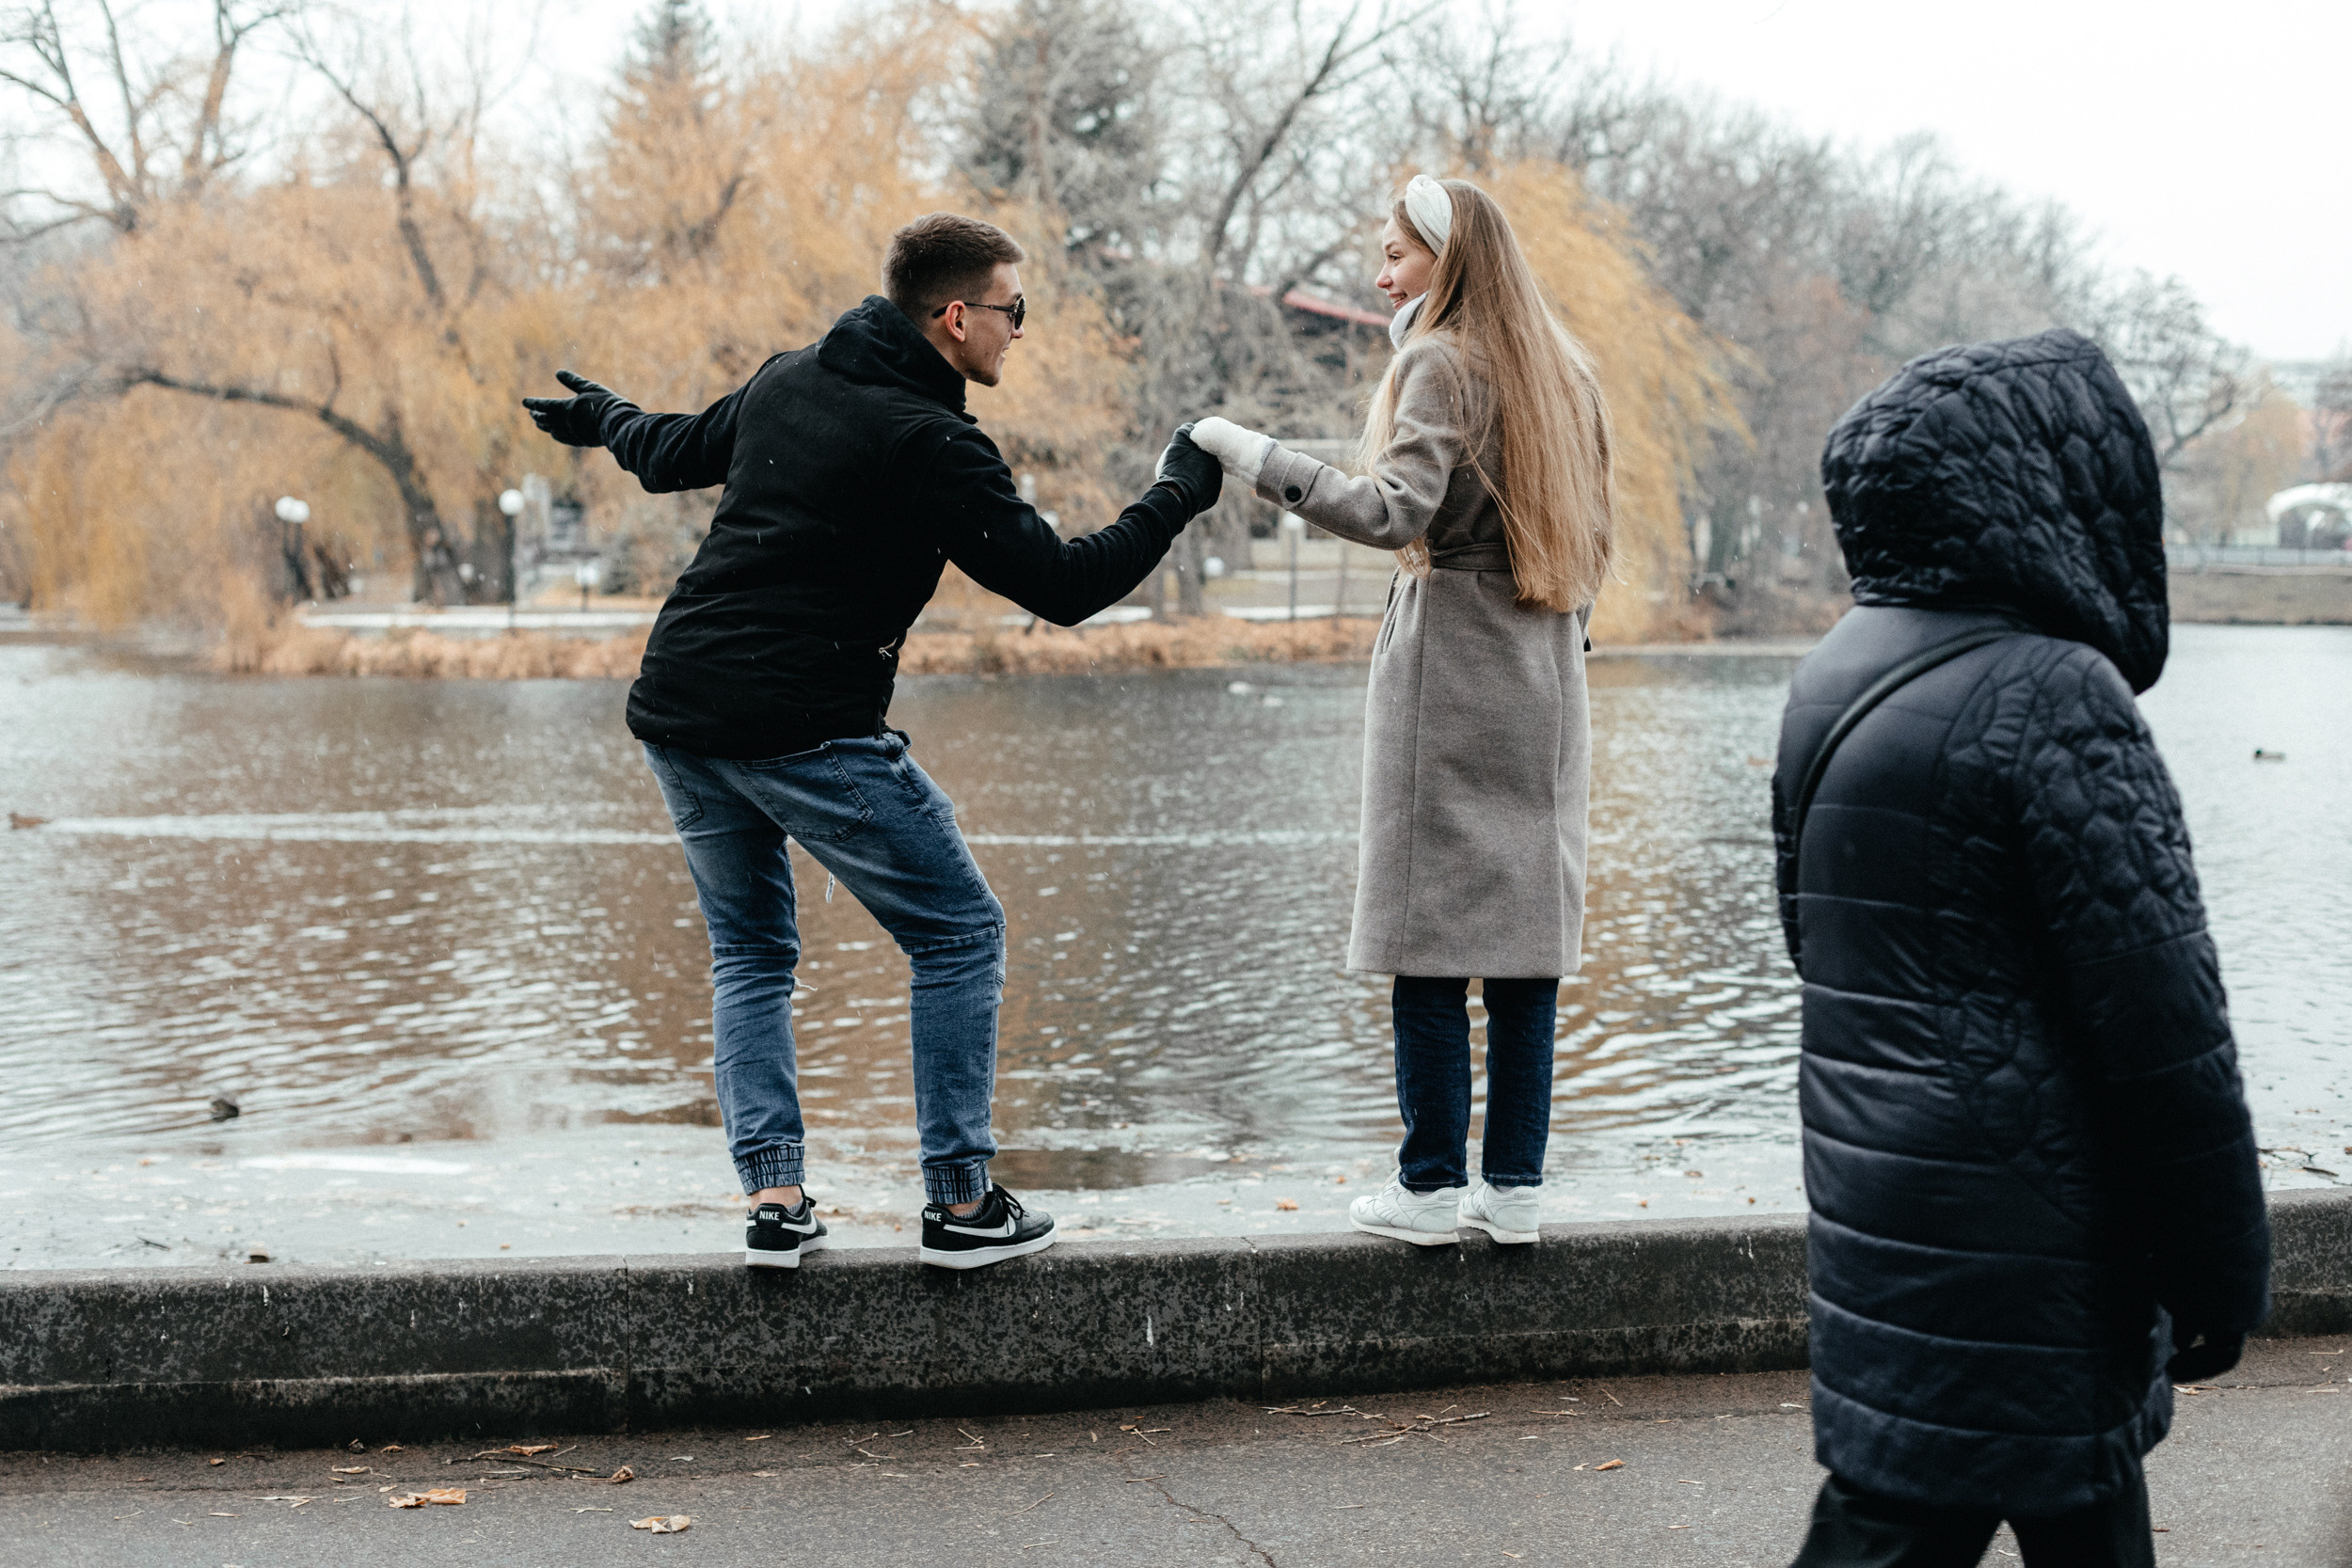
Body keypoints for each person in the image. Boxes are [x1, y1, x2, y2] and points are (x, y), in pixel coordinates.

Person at [521, 213, 1222, 1272]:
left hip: (680, 707)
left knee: (751, 950)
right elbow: (1068, 587)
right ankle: (960, 1203)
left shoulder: (791, 376)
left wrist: (604, 417)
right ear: (954, 316)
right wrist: (1176, 493)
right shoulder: (931, 443)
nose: (1017, 333)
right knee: (959, 933)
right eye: (1011, 311)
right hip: (801, 721)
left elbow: (668, 453)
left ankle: (775, 1198)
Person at [1772, 328, 2271, 1565]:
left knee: (1909, 1500)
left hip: (1881, 1217)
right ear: (2054, 488)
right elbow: (2163, 1021)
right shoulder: (2052, 692)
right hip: (2034, 1246)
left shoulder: (1833, 671)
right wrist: (2219, 1268)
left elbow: (1812, 940)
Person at [1186, 175, 1613, 1246]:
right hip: (1546, 663)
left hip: (1452, 660)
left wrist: (1256, 457)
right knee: (1522, 942)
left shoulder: (1441, 359)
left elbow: (1391, 512)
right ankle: (1510, 1188)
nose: (1380, 275)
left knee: (1424, 932)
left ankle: (1425, 1186)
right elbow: (1594, 534)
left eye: (1396, 255)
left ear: (1447, 257)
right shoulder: (1567, 371)